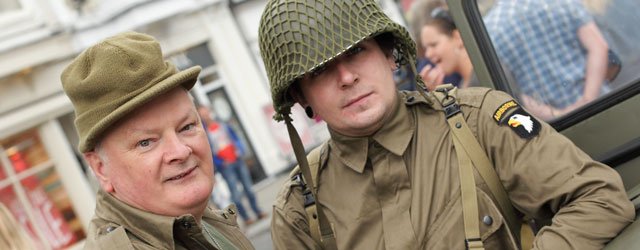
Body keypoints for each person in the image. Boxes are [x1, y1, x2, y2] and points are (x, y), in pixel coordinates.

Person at [258, 0, 634, 249]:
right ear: (302, 97)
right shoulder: (298, 211)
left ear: (390, 55)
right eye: (321, 70)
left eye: (357, 51)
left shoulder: (479, 120)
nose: (346, 77)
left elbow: (599, 197)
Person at [60, 31, 254, 249]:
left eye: (187, 127)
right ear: (100, 168)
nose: (180, 151)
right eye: (146, 142)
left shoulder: (197, 223)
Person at [483, 0, 610, 120]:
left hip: (558, 129)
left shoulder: (489, 30)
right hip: (604, 105)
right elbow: (598, 48)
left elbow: (515, 95)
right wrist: (588, 99)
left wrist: (558, 115)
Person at [198, 105, 267, 226]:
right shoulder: (204, 134)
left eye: (206, 112)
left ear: (209, 111)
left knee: (249, 189)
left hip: (238, 161)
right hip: (226, 167)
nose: (205, 115)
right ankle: (246, 218)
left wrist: (240, 150)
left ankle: (257, 211)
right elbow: (209, 153)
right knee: (235, 195)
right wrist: (220, 163)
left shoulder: (222, 125)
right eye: (202, 114)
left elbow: (235, 139)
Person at [419, 7, 476, 90]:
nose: (428, 54)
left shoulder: (484, 80)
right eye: (426, 48)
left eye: (433, 45)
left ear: (457, 37)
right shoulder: (465, 85)